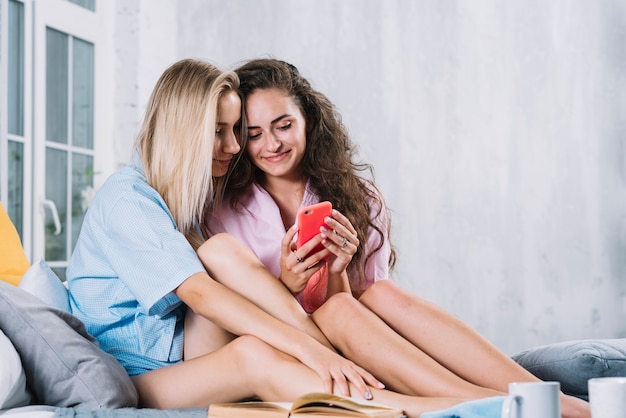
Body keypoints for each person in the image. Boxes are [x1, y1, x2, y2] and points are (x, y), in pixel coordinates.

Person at [66, 58, 470, 417]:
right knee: (251, 351)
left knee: (240, 278)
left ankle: (453, 397)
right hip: (145, 374)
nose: (235, 146)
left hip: (186, 354)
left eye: (235, 130)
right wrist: (309, 349)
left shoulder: (184, 200)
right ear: (182, 132)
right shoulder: (127, 198)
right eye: (220, 131)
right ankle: (424, 408)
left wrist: (311, 314)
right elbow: (201, 295)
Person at [206, 58, 590, 418]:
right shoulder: (222, 209)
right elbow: (228, 315)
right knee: (340, 308)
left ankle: (550, 400)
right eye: (253, 134)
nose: (271, 144)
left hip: (357, 340)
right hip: (286, 349)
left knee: (378, 294)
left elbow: (362, 312)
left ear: (307, 120)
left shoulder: (359, 196)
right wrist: (285, 283)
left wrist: (339, 271)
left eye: (283, 125)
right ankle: (502, 404)